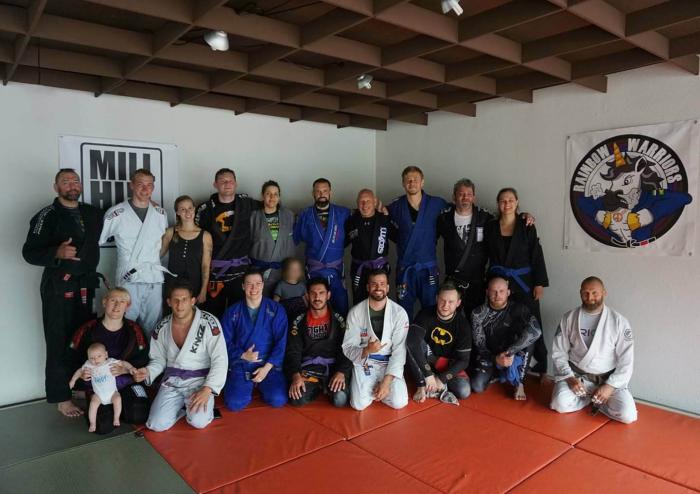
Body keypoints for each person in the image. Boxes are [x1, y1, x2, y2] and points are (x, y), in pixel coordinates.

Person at [22, 168, 103, 417]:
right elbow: (29, 252)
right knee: (58, 340)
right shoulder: (47, 215)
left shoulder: (92, 212)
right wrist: (56, 253)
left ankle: (77, 386)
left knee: (82, 337)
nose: (72, 185)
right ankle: (61, 397)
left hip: (85, 284)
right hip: (58, 286)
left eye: (75, 181)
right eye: (66, 181)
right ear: (56, 187)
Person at [133, 282, 228, 432]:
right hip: (173, 382)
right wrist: (148, 371)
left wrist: (207, 389)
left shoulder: (209, 323)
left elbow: (220, 359)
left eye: (184, 299)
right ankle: (182, 409)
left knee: (199, 421)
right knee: (156, 424)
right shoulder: (162, 327)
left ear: (193, 301)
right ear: (169, 302)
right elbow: (158, 359)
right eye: (175, 300)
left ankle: (203, 406)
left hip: (200, 381)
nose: (180, 304)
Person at [550, 277, 637, 424]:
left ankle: (600, 400)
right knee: (559, 404)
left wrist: (610, 387)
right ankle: (588, 399)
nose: (590, 298)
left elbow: (626, 360)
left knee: (628, 415)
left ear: (604, 293)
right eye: (586, 293)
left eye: (594, 293)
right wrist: (570, 378)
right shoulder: (569, 318)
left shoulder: (618, 321)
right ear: (580, 293)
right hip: (578, 377)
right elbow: (559, 352)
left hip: (608, 380)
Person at [67, 287, 150, 433]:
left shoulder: (134, 330)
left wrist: (127, 370)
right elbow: (72, 359)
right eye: (113, 300)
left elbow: (142, 359)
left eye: (122, 301)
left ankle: (121, 406)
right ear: (104, 302)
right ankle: (105, 406)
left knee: (138, 414)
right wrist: (82, 376)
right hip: (99, 386)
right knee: (102, 426)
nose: (117, 305)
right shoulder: (87, 330)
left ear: (127, 306)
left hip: (125, 382)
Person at [485, 187, 549, 374]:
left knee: (533, 322)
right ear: (498, 204)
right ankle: (501, 366)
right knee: (499, 324)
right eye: (503, 201)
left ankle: (541, 366)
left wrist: (539, 283)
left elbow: (536, 254)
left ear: (517, 202)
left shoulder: (526, 225)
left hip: (523, 282)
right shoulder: (490, 226)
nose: (507, 204)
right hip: (498, 284)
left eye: (511, 200)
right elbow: (484, 254)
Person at [100, 168, 169, 335]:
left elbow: (163, 242)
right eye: (140, 184)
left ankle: (150, 353)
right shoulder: (116, 214)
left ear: (153, 187)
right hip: (129, 277)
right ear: (131, 185)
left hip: (153, 278)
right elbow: (99, 240)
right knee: (124, 323)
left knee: (154, 326)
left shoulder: (160, 214)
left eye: (149, 185)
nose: (145, 189)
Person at [196, 168, 261, 318]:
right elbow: (190, 231)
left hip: (240, 272)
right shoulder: (205, 209)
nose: (227, 184)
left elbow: (270, 206)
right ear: (215, 184)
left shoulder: (246, 203)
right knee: (212, 314)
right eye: (223, 181)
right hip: (215, 272)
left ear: (236, 183)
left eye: (230, 180)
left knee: (238, 315)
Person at [221, 268, 288, 411]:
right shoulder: (232, 312)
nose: (254, 288)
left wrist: (266, 368)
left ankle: (262, 383)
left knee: (278, 399)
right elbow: (223, 342)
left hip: (268, 364)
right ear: (243, 286)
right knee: (234, 404)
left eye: (258, 284)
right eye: (249, 284)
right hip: (241, 364)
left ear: (263, 285)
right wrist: (242, 355)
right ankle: (246, 384)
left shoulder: (276, 310)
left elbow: (281, 343)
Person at [342, 269, 409, 411]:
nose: (378, 288)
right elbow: (347, 347)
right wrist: (366, 350)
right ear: (367, 287)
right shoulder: (355, 312)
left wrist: (386, 383)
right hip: (366, 362)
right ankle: (373, 390)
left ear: (388, 287)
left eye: (382, 284)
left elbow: (399, 351)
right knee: (358, 404)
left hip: (389, 363)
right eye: (374, 284)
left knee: (399, 402)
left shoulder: (399, 313)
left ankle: (379, 389)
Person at [387, 166, 448, 318]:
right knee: (403, 312)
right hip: (405, 269)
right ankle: (405, 335)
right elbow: (386, 226)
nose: (412, 182)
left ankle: (427, 334)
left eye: (415, 179)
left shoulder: (437, 204)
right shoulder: (395, 206)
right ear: (403, 183)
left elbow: (454, 219)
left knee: (431, 309)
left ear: (422, 182)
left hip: (428, 269)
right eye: (408, 180)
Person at [470, 277, 541, 400]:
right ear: (487, 292)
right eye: (494, 291)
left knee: (529, 338)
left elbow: (536, 331)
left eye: (501, 291)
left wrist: (510, 352)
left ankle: (520, 382)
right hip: (490, 355)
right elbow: (479, 345)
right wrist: (496, 359)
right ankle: (497, 372)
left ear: (508, 292)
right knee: (477, 386)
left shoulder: (519, 309)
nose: (497, 295)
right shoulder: (478, 313)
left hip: (512, 353)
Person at [285, 278, 352, 407]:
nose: (317, 297)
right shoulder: (298, 321)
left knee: (340, 400)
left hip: (333, 368)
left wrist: (341, 371)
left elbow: (348, 348)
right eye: (313, 293)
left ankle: (328, 386)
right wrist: (296, 374)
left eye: (321, 293)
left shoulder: (340, 320)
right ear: (307, 296)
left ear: (328, 295)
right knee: (297, 398)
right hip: (309, 369)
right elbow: (293, 351)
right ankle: (318, 386)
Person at [294, 178, 351, 316]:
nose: (321, 194)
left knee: (341, 308)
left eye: (325, 191)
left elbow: (357, 228)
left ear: (330, 192)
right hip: (314, 271)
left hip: (336, 271)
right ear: (313, 193)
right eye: (318, 191)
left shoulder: (343, 213)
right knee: (315, 309)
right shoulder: (304, 214)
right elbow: (293, 239)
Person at [407, 282, 472, 404]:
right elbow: (412, 342)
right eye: (442, 300)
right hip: (427, 360)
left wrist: (442, 379)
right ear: (437, 298)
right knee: (412, 341)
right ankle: (421, 385)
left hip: (447, 365)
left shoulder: (463, 325)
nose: (445, 305)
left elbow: (464, 360)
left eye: (451, 302)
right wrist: (427, 374)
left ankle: (438, 385)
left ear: (458, 303)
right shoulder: (425, 314)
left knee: (464, 391)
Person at [437, 179, 493, 317]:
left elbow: (506, 222)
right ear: (454, 197)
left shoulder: (485, 217)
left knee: (475, 318)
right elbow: (428, 239)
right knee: (450, 317)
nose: (465, 197)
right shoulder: (444, 217)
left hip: (477, 280)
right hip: (453, 279)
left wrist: (523, 216)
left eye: (469, 194)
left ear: (474, 197)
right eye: (461, 194)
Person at [344, 188, 395, 305]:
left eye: (368, 201)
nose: (364, 205)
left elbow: (399, 238)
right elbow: (342, 243)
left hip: (380, 268)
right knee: (359, 302)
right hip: (359, 269)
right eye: (361, 201)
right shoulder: (351, 221)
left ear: (375, 202)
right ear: (357, 203)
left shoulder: (384, 218)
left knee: (380, 300)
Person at [69, 343, 134, 432]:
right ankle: (92, 423)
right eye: (92, 358)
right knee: (93, 404)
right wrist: (73, 380)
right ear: (88, 358)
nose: (95, 360)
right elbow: (79, 371)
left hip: (112, 393)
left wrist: (131, 368)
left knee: (118, 399)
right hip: (98, 395)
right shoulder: (89, 365)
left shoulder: (110, 362)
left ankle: (116, 418)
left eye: (99, 356)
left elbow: (123, 363)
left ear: (106, 354)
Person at [161, 195, 213, 306]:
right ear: (177, 212)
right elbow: (157, 255)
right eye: (183, 209)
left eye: (190, 208)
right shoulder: (170, 232)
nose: (187, 212)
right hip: (172, 285)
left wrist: (203, 290)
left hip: (195, 285)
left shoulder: (205, 236)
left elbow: (205, 266)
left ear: (194, 209)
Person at [249, 180, 296, 296]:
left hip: (283, 272)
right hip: (259, 272)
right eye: (268, 193)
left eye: (276, 194)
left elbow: (293, 241)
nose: (272, 197)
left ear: (279, 196)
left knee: (281, 302)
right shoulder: (253, 217)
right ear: (262, 196)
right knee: (260, 302)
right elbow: (246, 243)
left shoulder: (289, 215)